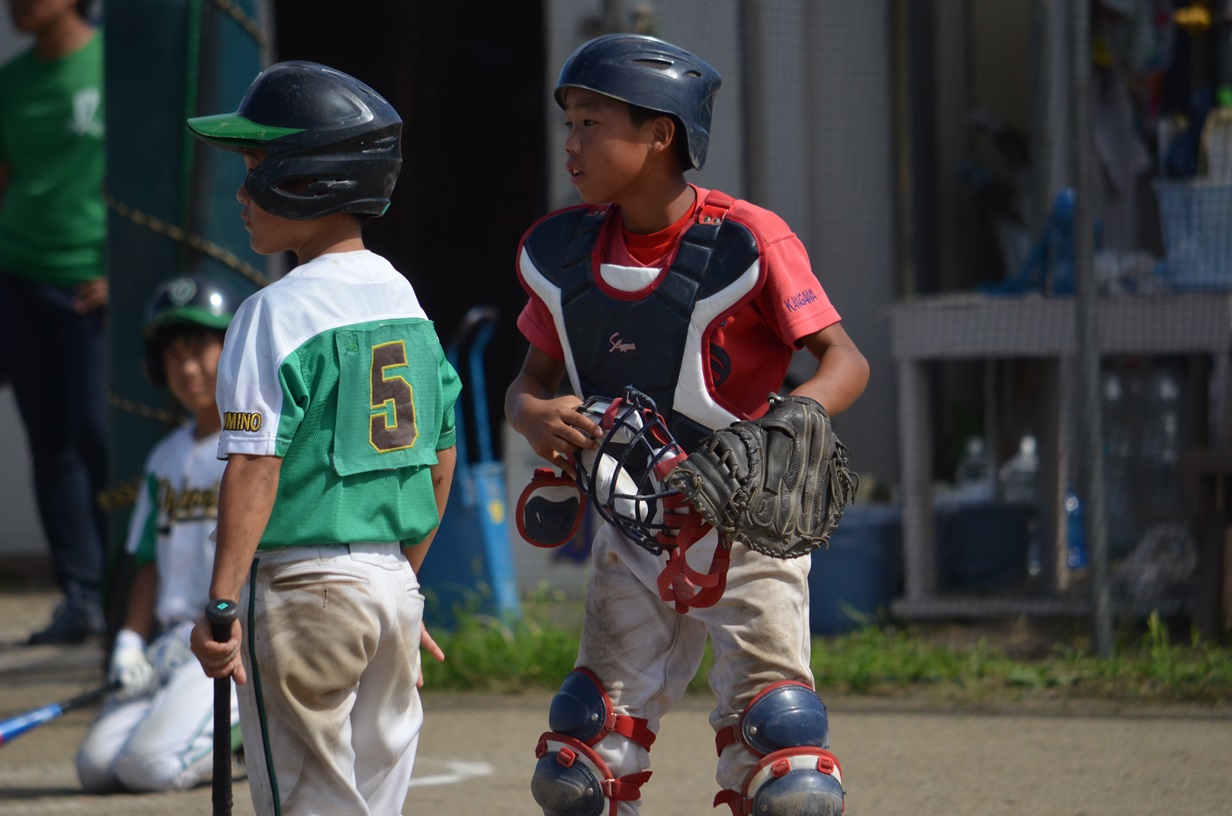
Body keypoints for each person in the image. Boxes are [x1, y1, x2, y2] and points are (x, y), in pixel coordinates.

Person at [505, 34, 870, 816]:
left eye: (591, 122)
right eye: (568, 121)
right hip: (631, 525)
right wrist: (533, 414)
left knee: (783, 754)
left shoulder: (746, 238)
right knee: (580, 758)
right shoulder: (566, 252)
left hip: (748, 521)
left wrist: (786, 426)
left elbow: (845, 361)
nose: (571, 141)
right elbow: (527, 384)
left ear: (661, 133)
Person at [185, 61, 461, 816]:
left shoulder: (273, 312)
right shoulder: (406, 301)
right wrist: (399, 580)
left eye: (256, 168)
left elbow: (254, 467)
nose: (242, 194)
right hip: (393, 594)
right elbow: (441, 457)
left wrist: (219, 606)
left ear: (312, 178)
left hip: (302, 591)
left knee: (307, 805)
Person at [75, 272, 248, 793]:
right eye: (174, 357)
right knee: (96, 765)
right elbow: (148, 559)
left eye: (200, 351)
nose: (187, 368)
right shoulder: (164, 456)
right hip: (173, 642)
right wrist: (129, 643)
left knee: (145, 768)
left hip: (227, 644)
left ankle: (249, 741)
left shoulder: (252, 444)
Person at [0, 0, 108, 644]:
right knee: (51, 442)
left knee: (101, 434)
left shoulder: (112, 67)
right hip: (19, 278)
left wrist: (122, 269)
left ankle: (131, 586)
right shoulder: (9, 83)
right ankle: (83, 595)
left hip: (92, 287)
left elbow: (147, 172)